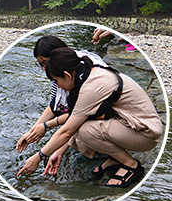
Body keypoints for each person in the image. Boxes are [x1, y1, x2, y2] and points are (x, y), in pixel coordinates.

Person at [17, 47, 163, 188]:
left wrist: (38, 157)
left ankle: (132, 166)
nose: (58, 86)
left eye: (56, 81)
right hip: (132, 123)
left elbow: (67, 130)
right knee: (82, 127)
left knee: (84, 131)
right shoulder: (89, 72)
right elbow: (73, 117)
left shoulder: (91, 88)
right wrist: (54, 144)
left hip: (145, 134)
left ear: (67, 75)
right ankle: (115, 158)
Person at [16, 36, 107, 153]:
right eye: (40, 64)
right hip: (88, 113)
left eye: (46, 63)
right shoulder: (61, 72)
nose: (44, 68)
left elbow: (79, 114)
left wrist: (47, 129)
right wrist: (32, 131)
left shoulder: (83, 73)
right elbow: (55, 105)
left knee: (83, 132)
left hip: (107, 116)